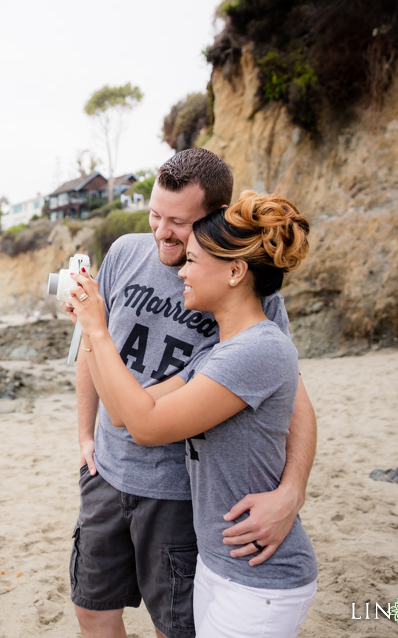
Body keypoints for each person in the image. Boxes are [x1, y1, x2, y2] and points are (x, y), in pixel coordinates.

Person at [66, 148, 316, 638]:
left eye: (179, 222)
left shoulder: (252, 305)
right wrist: (84, 438)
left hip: (181, 493)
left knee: (174, 625)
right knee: (91, 608)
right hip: (107, 473)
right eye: (155, 215)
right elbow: (92, 351)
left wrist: (292, 493)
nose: (162, 232)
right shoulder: (124, 253)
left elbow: (295, 404)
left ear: (214, 218)